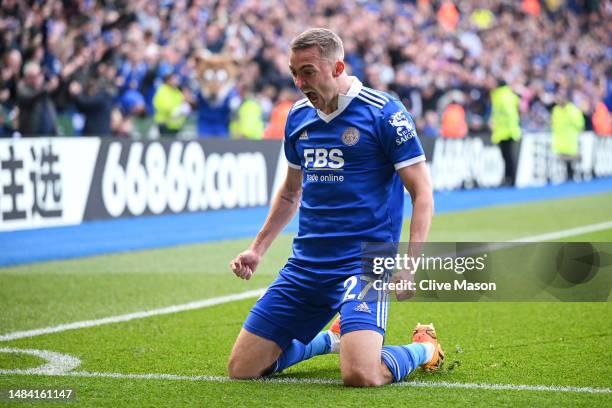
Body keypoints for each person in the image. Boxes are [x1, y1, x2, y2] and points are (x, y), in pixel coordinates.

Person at [228, 28, 442, 387]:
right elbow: (288, 195)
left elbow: (422, 193)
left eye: (308, 71)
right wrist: (257, 249)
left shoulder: (385, 113)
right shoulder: (298, 118)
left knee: (361, 374)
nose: (299, 82)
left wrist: (408, 266)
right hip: (308, 264)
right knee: (243, 368)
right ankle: (333, 339)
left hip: (366, 262)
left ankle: (425, 348)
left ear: (338, 67)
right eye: (294, 72)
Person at [490, 79, 521, 186]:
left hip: (504, 131)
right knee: (508, 157)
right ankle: (509, 178)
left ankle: (510, 179)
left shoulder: (499, 96)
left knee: (507, 157)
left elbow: (507, 114)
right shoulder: (510, 95)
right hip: (510, 130)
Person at [551, 91, 585, 181]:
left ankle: (574, 176)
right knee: (563, 160)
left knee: (572, 159)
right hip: (560, 140)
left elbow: (580, 124)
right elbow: (554, 124)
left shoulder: (572, 110)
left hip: (571, 139)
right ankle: (568, 176)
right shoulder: (556, 110)